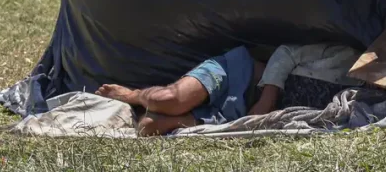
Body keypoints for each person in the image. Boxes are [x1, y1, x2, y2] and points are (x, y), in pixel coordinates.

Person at [95, 43, 355, 136]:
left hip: (236, 114)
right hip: (236, 74)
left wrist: (259, 115)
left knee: (148, 127)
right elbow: (286, 52)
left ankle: (186, 117)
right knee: (170, 99)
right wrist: (268, 97)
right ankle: (134, 95)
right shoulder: (348, 57)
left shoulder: (365, 96)